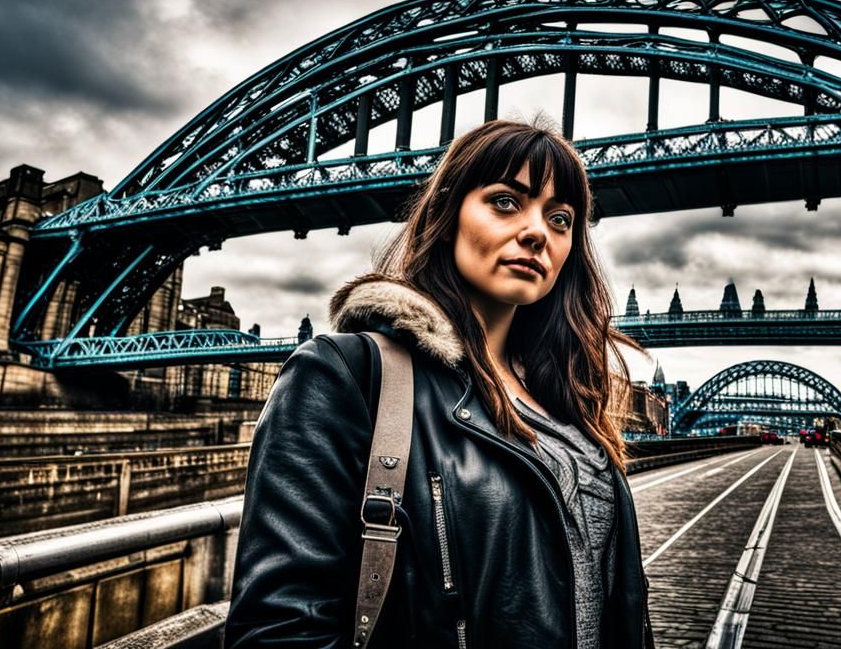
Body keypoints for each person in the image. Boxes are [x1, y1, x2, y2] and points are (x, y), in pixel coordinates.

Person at [225, 119, 654, 648]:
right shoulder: (345, 375)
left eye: (560, 218)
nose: (537, 232)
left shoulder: (568, 401)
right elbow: (280, 631)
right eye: (505, 202)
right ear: (447, 216)